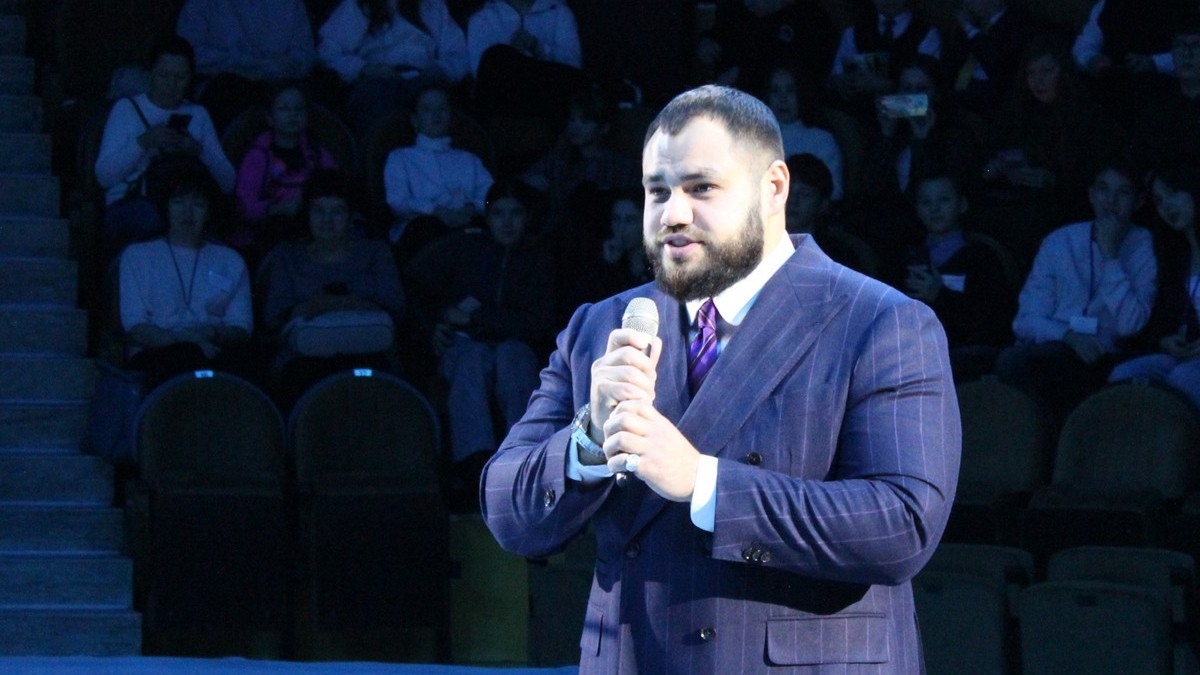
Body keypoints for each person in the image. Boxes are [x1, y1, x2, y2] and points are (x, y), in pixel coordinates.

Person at [481, 85, 959, 673]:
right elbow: (506, 510)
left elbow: (902, 524)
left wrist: (704, 484)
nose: (672, 214)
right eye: (657, 191)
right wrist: (588, 442)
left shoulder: (881, 321)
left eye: (701, 187)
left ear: (774, 188)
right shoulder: (598, 326)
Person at [405, 179, 554, 507]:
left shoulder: (538, 257)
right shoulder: (463, 248)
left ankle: (523, 463)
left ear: (526, 217)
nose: (507, 222)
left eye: (515, 213)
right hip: (465, 345)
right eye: (499, 213)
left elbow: (537, 322)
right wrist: (435, 325)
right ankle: (475, 469)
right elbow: (414, 288)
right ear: (487, 218)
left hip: (515, 345)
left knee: (512, 358)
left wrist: (475, 318)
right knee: (471, 360)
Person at [995, 159, 1157, 421]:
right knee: (1015, 361)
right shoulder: (1060, 241)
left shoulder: (1144, 245)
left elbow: (1131, 324)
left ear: (1138, 202)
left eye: (1123, 192)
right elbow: (1025, 320)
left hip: (1106, 352)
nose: (1111, 201)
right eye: (1103, 190)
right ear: (1091, 195)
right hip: (1056, 344)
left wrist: (1111, 257)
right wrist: (1067, 336)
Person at [261, 169, 406, 409]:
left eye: (337, 212)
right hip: (304, 358)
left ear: (350, 217)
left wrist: (324, 305)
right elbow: (275, 316)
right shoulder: (287, 256)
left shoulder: (376, 253)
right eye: (319, 211)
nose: (327, 221)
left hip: (370, 351)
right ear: (307, 214)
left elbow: (396, 307)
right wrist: (351, 304)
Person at [95, 36, 236, 261]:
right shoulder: (127, 109)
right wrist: (144, 142)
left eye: (180, 77)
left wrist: (197, 150)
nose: (171, 85)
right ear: (151, 73)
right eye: (164, 75)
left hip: (186, 204)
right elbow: (104, 176)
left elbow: (228, 182)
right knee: (158, 222)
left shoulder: (198, 114)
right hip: (135, 201)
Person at [118, 165, 252, 391]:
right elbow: (135, 325)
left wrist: (210, 334)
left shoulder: (230, 260)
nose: (187, 213)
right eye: (179, 202)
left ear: (209, 210)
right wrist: (186, 339)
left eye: (198, 204)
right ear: (166, 206)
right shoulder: (137, 256)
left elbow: (241, 326)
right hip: (159, 350)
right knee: (187, 357)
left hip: (214, 346)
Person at [903, 172, 1015, 380]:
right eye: (926, 202)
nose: (935, 209)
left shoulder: (981, 256)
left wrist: (940, 296)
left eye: (944, 200)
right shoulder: (906, 257)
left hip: (965, 353)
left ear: (962, 205)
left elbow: (993, 322)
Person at [1108, 159, 1200, 409]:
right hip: (1187, 351)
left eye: (1173, 193)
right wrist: (1164, 341)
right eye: (1159, 200)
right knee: (1124, 375)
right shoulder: (1175, 255)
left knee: (1183, 378)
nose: (1167, 205)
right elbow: (1162, 319)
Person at [317, 0, 469, 136]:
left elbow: (459, 53)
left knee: (432, 98)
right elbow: (328, 51)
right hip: (376, 80)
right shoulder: (357, 5)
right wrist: (364, 68)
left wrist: (441, 69)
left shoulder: (432, 5)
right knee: (377, 97)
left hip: (423, 76)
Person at [232, 82, 338, 266]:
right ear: (270, 117)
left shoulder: (318, 153)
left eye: (299, 109)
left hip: (313, 225)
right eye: (284, 109)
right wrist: (279, 208)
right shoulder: (258, 155)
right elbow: (244, 206)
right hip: (267, 232)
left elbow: (337, 187)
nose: (293, 114)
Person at [384, 84, 493, 263]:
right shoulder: (400, 157)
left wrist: (472, 207)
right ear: (414, 120)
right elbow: (397, 201)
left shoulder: (469, 160)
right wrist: (436, 210)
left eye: (442, 108)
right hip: (423, 229)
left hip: (468, 222)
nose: (436, 114)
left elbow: (491, 197)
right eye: (427, 109)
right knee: (428, 229)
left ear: (451, 116)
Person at [175, 0, 316, 131]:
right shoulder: (202, 3)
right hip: (224, 84)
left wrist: (272, 68)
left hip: (280, 82)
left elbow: (304, 55)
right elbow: (189, 54)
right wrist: (250, 64)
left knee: (318, 89)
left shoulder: (290, 4)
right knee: (226, 91)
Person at [829, 0, 941, 109]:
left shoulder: (928, 34)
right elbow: (834, 79)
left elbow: (925, 102)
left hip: (905, 116)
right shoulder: (853, 32)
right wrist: (841, 83)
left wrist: (883, 87)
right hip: (853, 113)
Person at [940, 0, 1035, 118]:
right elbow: (953, 61)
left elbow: (995, 61)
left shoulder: (1017, 24)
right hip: (960, 88)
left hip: (992, 98)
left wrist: (969, 29)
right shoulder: (972, 22)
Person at [763, 65, 844, 202]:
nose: (783, 99)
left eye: (790, 91)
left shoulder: (822, 141)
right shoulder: (753, 138)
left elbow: (834, 196)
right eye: (775, 91)